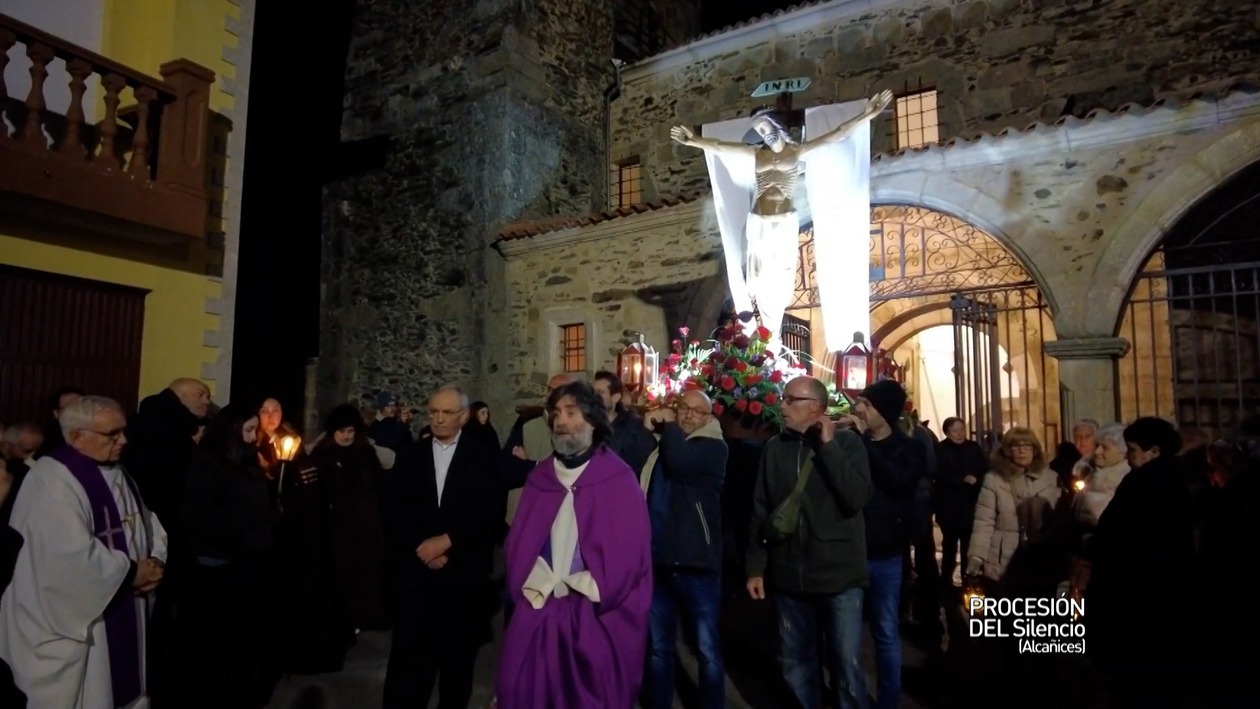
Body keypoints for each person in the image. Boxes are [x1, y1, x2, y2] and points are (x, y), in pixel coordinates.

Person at [0, 395, 168, 708]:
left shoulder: (119, 473)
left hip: (123, 606)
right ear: (77, 436)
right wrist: (132, 572)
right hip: (83, 622)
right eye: (112, 434)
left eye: (123, 431)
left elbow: (148, 523)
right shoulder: (52, 479)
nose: (123, 440)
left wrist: (155, 561)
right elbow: (65, 560)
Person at [496, 381, 653, 708]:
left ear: (594, 421)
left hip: (591, 611)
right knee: (523, 687)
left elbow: (630, 554)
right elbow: (520, 542)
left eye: (571, 412)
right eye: (556, 414)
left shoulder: (618, 479)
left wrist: (587, 585)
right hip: (539, 605)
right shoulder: (541, 479)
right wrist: (537, 577)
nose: (561, 422)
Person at [746, 376, 873, 709]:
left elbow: (856, 496)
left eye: (791, 400)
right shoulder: (775, 448)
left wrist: (829, 447)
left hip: (839, 577)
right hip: (791, 576)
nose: (782, 406)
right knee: (797, 666)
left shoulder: (848, 445)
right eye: (783, 398)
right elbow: (761, 509)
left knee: (846, 667)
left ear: (815, 408)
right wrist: (755, 567)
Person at [384, 385, 500, 709]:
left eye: (446, 412)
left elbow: (489, 510)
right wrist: (423, 549)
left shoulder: (482, 455)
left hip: (462, 581)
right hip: (418, 581)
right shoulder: (412, 455)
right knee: (409, 671)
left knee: (456, 671)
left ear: (463, 416)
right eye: (433, 411)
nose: (438, 418)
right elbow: (395, 511)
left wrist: (448, 541)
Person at [1084, 417, 1194, 709]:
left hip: (1132, 595)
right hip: (1170, 595)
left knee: (1132, 683)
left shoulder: (1141, 483)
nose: (1129, 457)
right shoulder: (1185, 480)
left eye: (1131, 449)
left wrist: (1089, 543)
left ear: (1153, 451)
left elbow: (1114, 535)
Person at [179, 403, 276, 708]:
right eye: (247, 430)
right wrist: (244, 534)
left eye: (254, 431)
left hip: (249, 565)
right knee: (222, 644)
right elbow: (200, 518)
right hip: (221, 568)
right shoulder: (208, 465)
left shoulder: (246, 464)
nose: (252, 438)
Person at [640, 390, 728, 709]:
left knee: (706, 650)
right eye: (682, 409)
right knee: (659, 647)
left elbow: (678, 463)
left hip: (696, 562)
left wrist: (669, 428)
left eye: (696, 412)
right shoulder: (665, 444)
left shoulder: (713, 447)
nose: (688, 416)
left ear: (708, 418)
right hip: (659, 559)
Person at [845, 380, 925, 709]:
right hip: (850, 551)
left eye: (868, 404)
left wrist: (864, 442)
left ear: (885, 412)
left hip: (887, 554)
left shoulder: (910, 448)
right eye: (859, 402)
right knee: (844, 636)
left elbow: (896, 481)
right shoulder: (853, 443)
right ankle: (849, 697)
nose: (859, 409)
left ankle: (888, 700)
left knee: (885, 631)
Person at [311, 404, 388, 632]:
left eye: (350, 431)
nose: (346, 436)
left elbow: (378, 485)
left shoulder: (364, 453)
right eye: (342, 431)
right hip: (336, 526)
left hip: (364, 525)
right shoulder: (323, 455)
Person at [934, 417, 987, 586]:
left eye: (962, 429)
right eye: (955, 430)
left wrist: (976, 480)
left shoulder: (973, 448)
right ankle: (946, 582)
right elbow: (937, 474)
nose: (959, 433)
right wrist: (960, 480)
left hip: (970, 505)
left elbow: (985, 469)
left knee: (968, 546)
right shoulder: (941, 449)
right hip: (949, 506)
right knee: (949, 545)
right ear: (947, 432)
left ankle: (968, 580)